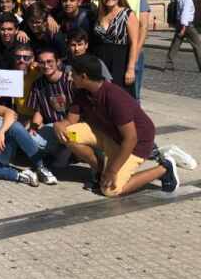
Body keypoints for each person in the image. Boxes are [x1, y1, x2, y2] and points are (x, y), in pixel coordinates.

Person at [54, 55, 189, 196]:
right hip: (110, 136)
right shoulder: (82, 92)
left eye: (72, 74)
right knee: (67, 133)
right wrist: (59, 125)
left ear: (84, 76)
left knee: (111, 190)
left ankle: (164, 168)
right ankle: (101, 170)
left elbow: (131, 139)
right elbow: (70, 122)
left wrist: (113, 171)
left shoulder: (114, 97)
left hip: (135, 145)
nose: (69, 77)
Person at [100, 0, 151, 99]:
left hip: (127, 54)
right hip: (105, 58)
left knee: (130, 98)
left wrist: (134, 59)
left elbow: (144, 26)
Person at [27, 47, 74, 166]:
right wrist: (33, 128)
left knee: (70, 144)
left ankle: (72, 152)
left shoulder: (70, 80)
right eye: (42, 62)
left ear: (58, 62)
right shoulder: (38, 84)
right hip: (52, 128)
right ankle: (62, 152)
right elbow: (38, 111)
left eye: (49, 61)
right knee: (31, 140)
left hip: (73, 126)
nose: (46, 65)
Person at [92, 0, 138, 96]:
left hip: (120, 61)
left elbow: (134, 43)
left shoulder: (128, 14)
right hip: (101, 61)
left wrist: (131, 68)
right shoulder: (99, 14)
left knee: (120, 98)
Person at [165, 0, 201, 73]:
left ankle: (168, 65)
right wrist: (184, 28)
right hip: (187, 25)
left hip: (179, 24)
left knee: (175, 45)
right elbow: (185, 13)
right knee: (198, 46)